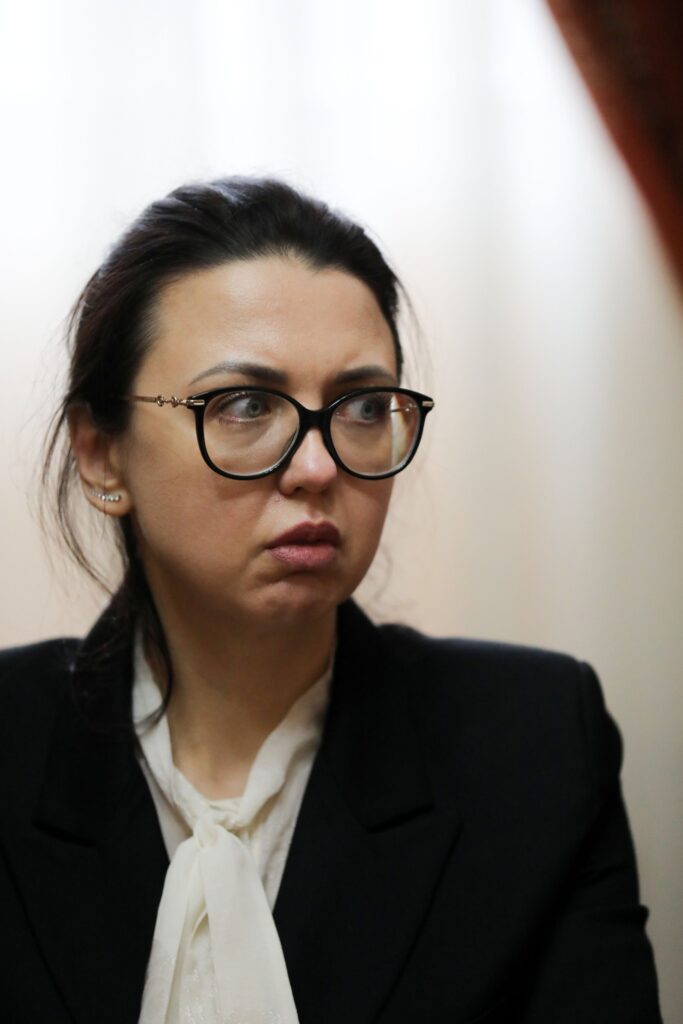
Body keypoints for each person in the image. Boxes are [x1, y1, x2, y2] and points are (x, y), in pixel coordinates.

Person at [0, 177, 661, 1024]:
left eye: (362, 407)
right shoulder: (13, 744)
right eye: (244, 405)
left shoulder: (532, 745)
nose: (317, 468)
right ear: (101, 453)